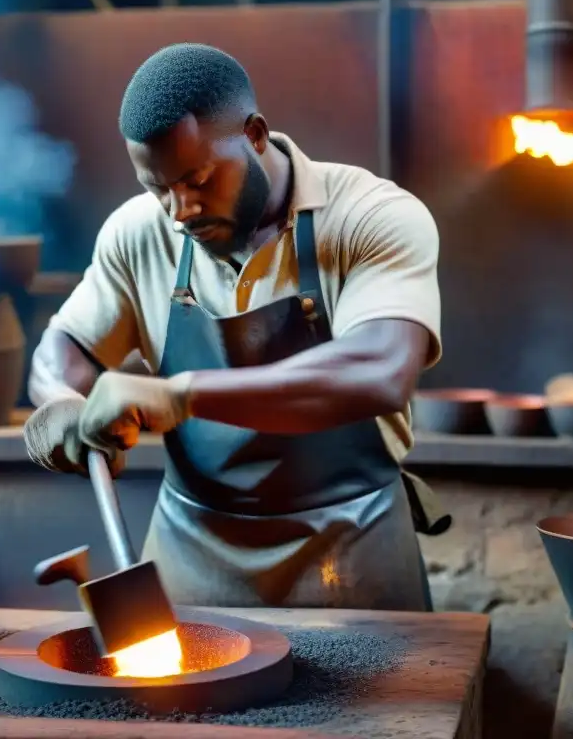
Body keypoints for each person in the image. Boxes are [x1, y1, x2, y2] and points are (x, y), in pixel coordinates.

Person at [22, 43, 449, 611]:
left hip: (352, 542)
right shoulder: (139, 233)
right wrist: (59, 405)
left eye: (197, 179)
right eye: (158, 187)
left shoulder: (368, 217)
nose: (179, 210)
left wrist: (183, 395)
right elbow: (65, 348)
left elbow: (380, 368)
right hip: (191, 550)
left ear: (254, 134)